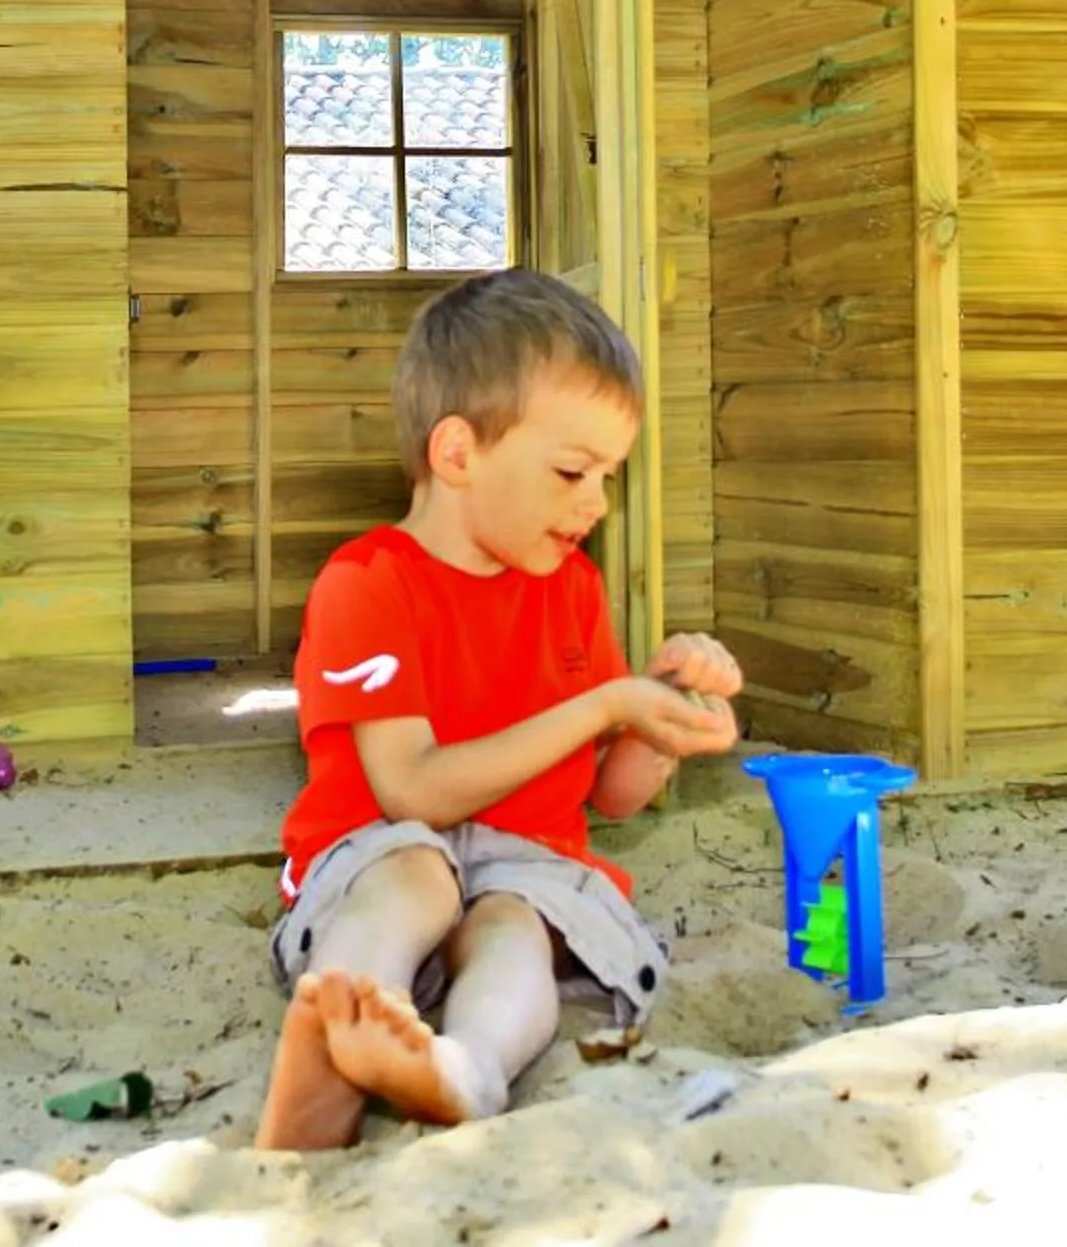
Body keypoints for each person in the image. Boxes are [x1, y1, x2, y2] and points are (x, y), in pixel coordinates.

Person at [254, 268, 742, 1151]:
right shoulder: (366, 583)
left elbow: (612, 798)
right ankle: (342, 1027)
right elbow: (412, 791)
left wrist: (663, 721)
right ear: (457, 454)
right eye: (571, 471)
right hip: (381, 854)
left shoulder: (573, 586)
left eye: (608, 475)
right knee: (416, 875)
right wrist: (605, 705)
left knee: (514, 921)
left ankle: (467, 1069)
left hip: (524, 863)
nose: (596, 503)